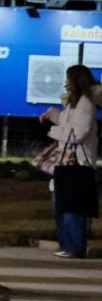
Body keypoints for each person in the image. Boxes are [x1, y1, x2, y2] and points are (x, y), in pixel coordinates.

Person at [39, 65, 101, 259]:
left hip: (78, 163)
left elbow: (79, 132)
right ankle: (67, 244)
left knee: (72, 205)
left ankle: (74, 247)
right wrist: (53, 115)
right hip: (66, 162)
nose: (65, 82)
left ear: (75, 80)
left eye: (67, 78)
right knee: (60, 203)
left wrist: (53, 131)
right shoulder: (74, 103)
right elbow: (70, 124)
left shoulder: (85, 103)